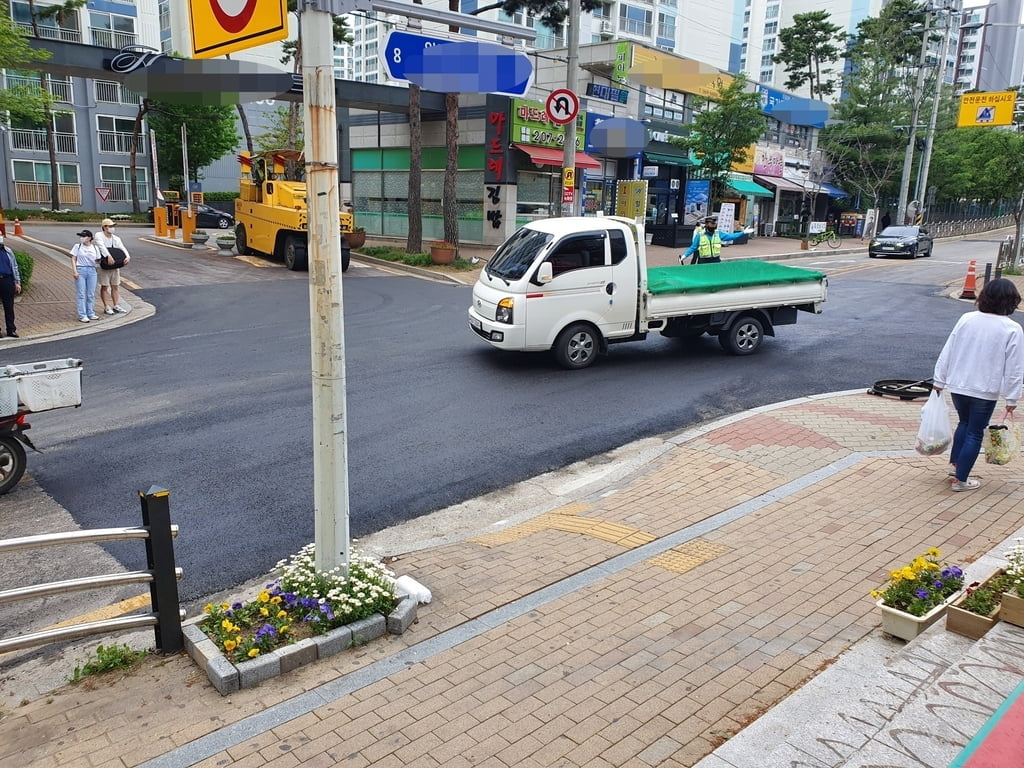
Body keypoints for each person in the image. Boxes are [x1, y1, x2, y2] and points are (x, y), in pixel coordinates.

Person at [933, 277, 1024, 492]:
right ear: (1010, 302)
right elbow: (1015, 368)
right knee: (975, 431)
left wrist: (939, 380)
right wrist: (1012, 398)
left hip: (958, 384)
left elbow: (949, 349)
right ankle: (961, 480)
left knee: (964, 424)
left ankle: (956, 467)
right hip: (985, 388)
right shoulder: (1012, 329)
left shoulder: (967, 319)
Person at [680, 216, 754, 265]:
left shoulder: (718, 233)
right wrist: (684, 255)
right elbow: (693, 247)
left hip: (716, 260)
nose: (714, 225)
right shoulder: (700, 235)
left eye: (715, 224)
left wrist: (743, 232)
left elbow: (731, 236)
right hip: (703, 261)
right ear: (706, 224)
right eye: (712, 223)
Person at [69, 229, 108, 323]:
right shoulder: (77, 246)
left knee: (91, 294)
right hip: (81, 269)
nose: (82, 238)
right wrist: (75, 271)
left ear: (90, 238)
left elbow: (98, 260)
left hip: (92, 270)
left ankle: (90, 313)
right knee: (81, 293)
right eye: (81, 236)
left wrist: (100, 260)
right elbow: (73, 258)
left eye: (84, 236)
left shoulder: (95, 248)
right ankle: (82, 315)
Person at [95, 218, 130, 315]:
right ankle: (106, 306)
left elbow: (122, 247)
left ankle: (116, 305)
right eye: (110, 226)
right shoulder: (99, 235)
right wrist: (108, 256)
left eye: (112, 226)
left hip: (115, 264)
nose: (112, 228)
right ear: (104, 227)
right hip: (105, 264)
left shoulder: (116, 238)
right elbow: (101, 246)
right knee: (105, 286)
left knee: (115, 286)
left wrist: (127, 257)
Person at [0, 235, 22, 338]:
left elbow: (14, 266)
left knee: (9, 306)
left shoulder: (7, 251)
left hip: (7, 280)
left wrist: (17, 282)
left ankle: (11, 329)